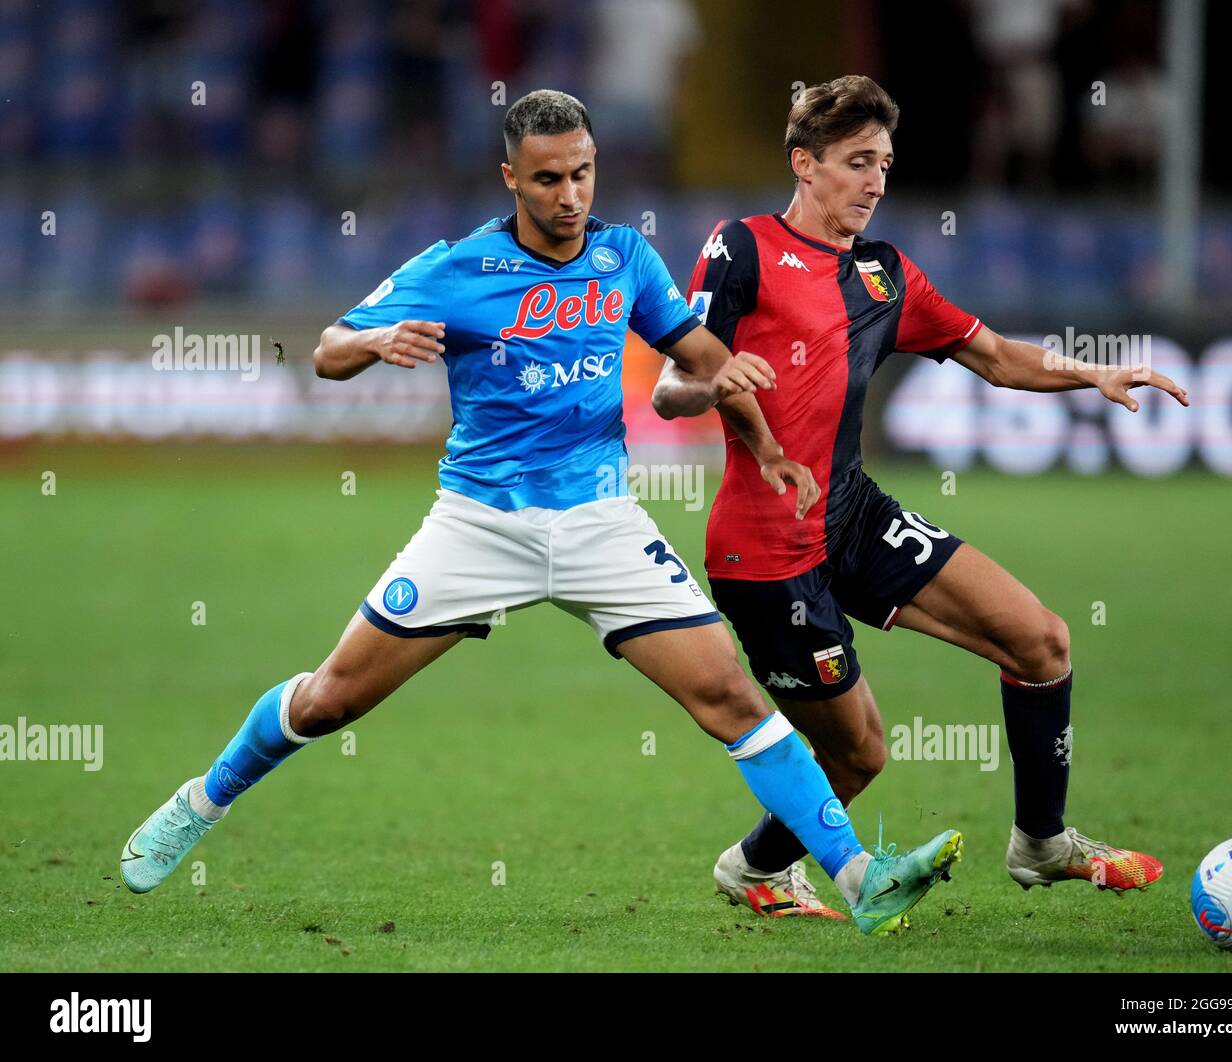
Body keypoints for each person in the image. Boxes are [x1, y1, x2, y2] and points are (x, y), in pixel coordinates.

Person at [118, 89, 961, 937]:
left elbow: (699, 352)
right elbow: (329, 351)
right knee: (330, 701)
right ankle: (201, 801)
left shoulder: (624, 257)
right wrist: (374, 343)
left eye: (584, 174)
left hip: (602, 523)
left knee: (733, 698)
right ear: (511, 178)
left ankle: (861, 879)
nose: (571, 196)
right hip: (479, 525)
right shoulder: (458, 268)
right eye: (550, 179)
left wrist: (754, 426)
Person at [654, 75, 1188, 919]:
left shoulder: (885, 275)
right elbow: (670, 392)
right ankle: (755, 867)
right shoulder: (742, 248)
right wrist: (716, 378)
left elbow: (995, 355)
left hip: (854, 514)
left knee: (1040, 641)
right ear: (805, 163)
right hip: (766, 552)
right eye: (857, 162)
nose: (875, 182)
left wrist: (1088, 370)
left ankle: (1042, 843)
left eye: (886, 164)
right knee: (860, 756)